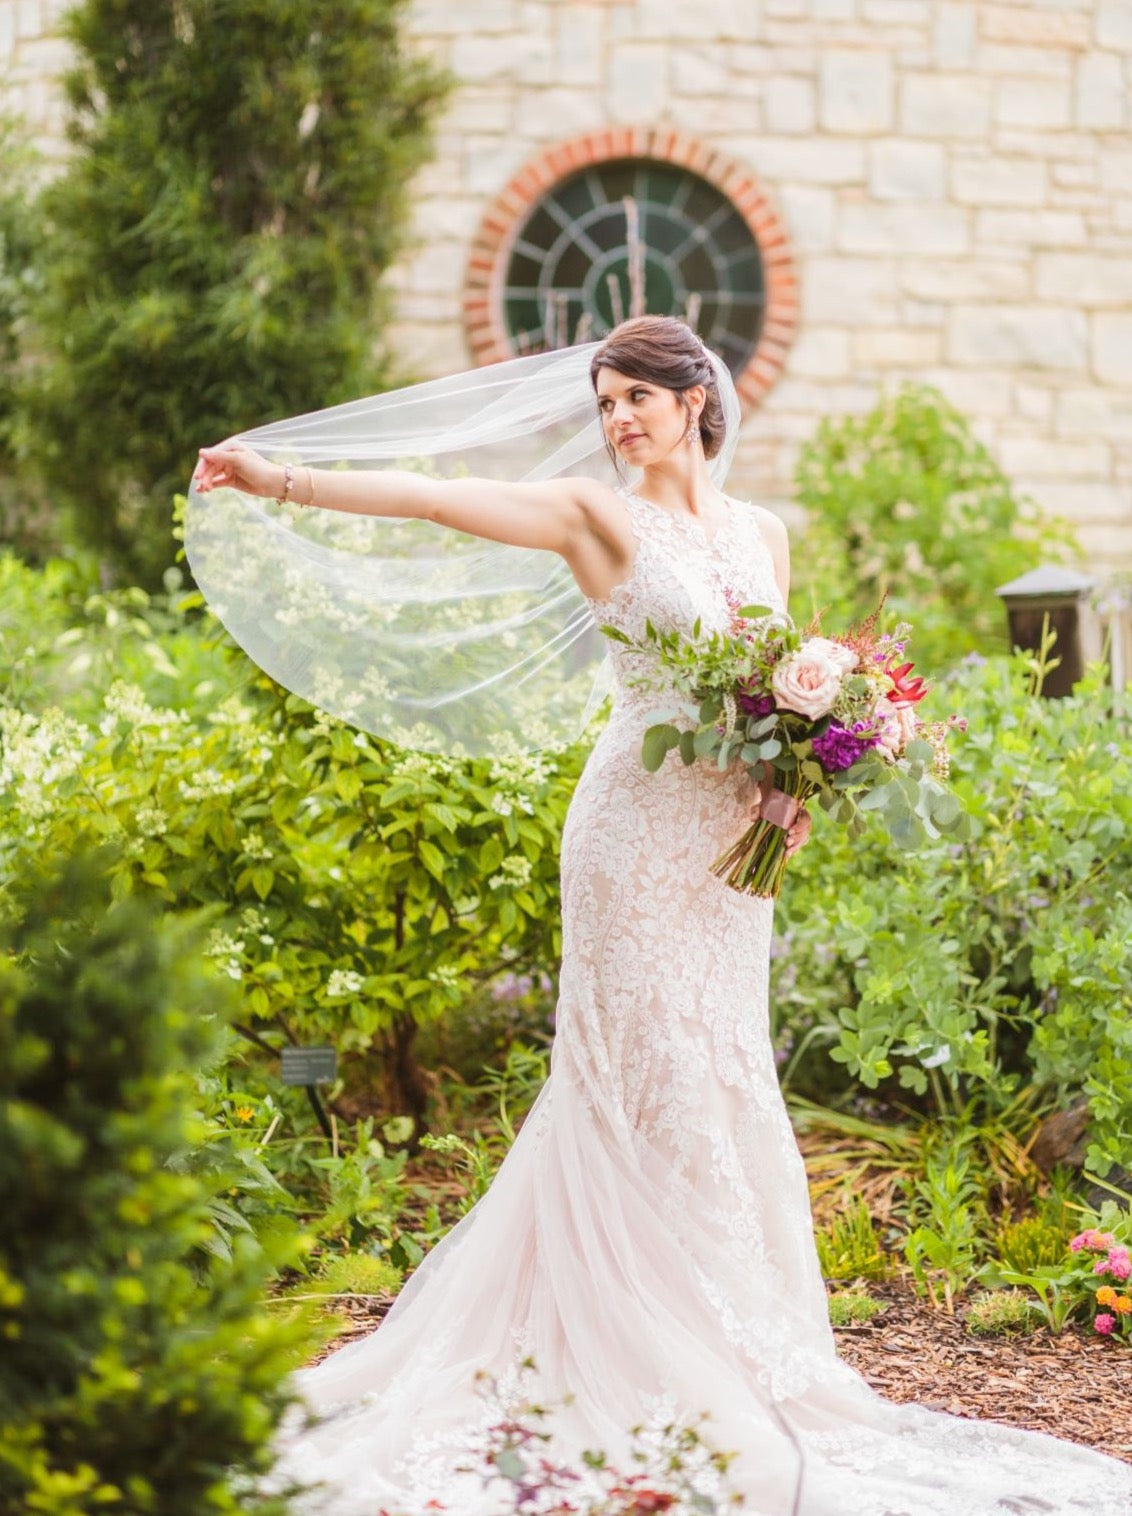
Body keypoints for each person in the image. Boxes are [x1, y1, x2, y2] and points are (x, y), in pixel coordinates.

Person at [193, 317, 1131, 1516]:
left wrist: (799, 780)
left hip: (726, 858)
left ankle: (739, 1336)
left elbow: (774, 687)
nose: (618, 418)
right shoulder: (600, 521)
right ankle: (628, 1345)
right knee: (642, 1071)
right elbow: (439, 501)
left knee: (726, 1064)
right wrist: (282, 478)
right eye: (604, 402)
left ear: (697, 398)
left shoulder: (763, 535)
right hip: (632, 833)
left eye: (637, 395)